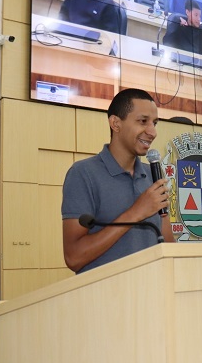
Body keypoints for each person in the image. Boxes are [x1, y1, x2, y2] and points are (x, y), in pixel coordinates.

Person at [61, 88, 175, 273]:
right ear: (115, 123)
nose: (152, 132)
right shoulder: (83, 174)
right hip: (106, 290)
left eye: (154, 123)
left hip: (152, 287)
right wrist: (136, 212)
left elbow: (168, 245)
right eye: (143, 121)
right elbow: (73, 257)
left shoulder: (152, 175)